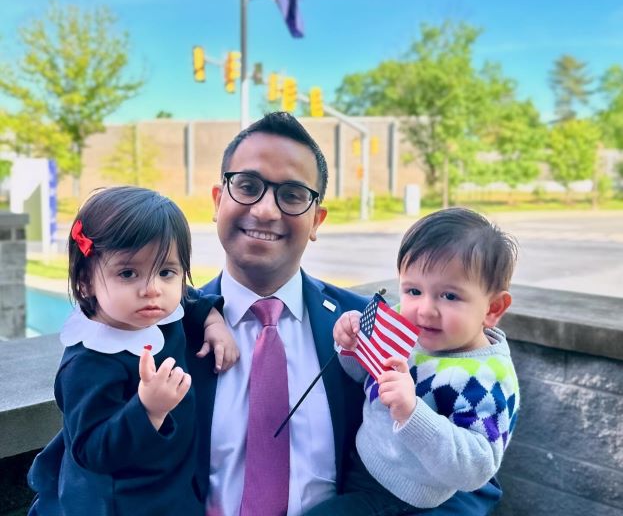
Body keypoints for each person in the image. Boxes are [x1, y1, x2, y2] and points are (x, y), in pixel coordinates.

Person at [189, 111, 505, 516]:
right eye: (248, 186)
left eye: (291, 194)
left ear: (316, 220)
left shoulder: (376, 329)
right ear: (218, 201)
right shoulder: (167, 327)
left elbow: (470, 481)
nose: (266, 210)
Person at [27, 186, 239, 516]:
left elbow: (188, 300)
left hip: (172, 484)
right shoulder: (90, 362)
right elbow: (92, 450)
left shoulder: (160, 310)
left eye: (166, 271)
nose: (152, 289)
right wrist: (147, 409)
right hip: (120, 501)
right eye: (128, 273)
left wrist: (212, 321)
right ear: (85, 281)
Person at [305, 207, 520, 515]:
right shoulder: (406, 329)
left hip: (403, 498)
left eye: (449, 296)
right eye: (414, 290)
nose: (425, 309)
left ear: (493, 308)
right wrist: (351, 346)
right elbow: (363, 375)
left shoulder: (486, 378)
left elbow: (476, 467)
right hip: (364, 463)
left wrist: (411, 411)